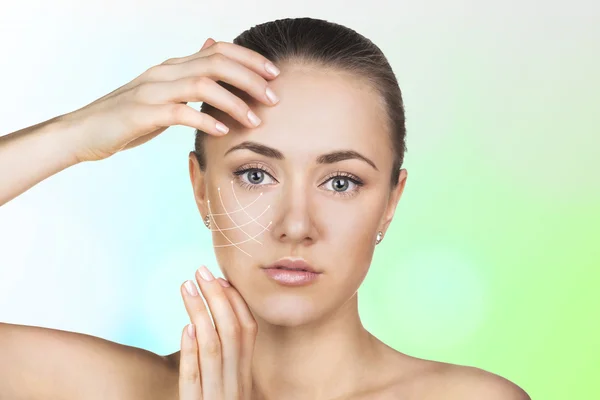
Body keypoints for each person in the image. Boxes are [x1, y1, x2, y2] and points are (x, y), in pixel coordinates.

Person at [0, 17, 530, 400]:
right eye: (256, 174)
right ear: (201, 188)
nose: (295, 225)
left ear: (391, 203)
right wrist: (72, 134)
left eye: (341, 181)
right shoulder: (103, 390)